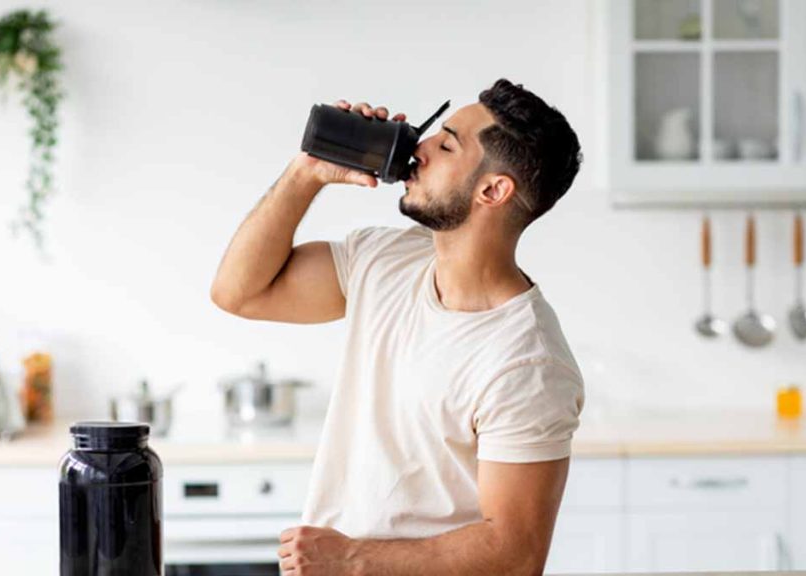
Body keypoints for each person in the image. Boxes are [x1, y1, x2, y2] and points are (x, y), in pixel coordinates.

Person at [211, 78, 585, 576]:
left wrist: (349, 559)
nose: (420, 146)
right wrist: (307, 173)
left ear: (493, 190)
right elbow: (240, 292)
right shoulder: (385, 260)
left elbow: (514, 553)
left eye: (446, 143)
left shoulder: (528, 362)